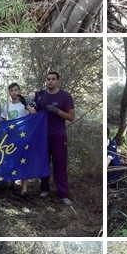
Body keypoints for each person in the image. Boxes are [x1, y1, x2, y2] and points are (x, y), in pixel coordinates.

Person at [33, 71, 75, 205]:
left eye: (53, 79)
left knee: (60, 164)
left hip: (58, 135)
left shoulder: (65, 96)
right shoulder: (41, 96)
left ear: (58, 81)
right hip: (43, 135)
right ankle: (44, 189)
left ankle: (63, 193)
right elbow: (35, 114)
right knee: (44, 162)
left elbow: (71, 117)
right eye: (48, 79)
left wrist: (57, 111)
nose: (50, 81)